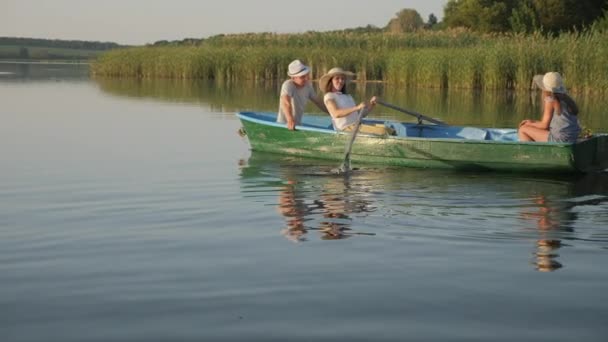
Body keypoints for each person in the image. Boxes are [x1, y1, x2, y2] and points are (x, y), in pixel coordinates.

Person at [319, 67, 395, 135]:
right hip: (345, 129)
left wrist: (372, 104)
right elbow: (336, 114)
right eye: (337, 78)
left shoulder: (348, 96)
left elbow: (361, 114)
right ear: (331, 81)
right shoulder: (329, 96)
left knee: (389, 129)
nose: (341, 81)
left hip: (358, 125)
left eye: (342, 79)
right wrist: (357, 107)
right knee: (384, 131)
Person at [518, 71, 581, 142]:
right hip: (573, 136)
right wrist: (532, 122)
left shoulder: (551, 99)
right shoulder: (567, 98)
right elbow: (549, 124)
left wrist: (528, 124)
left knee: (523, 129)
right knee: (529, 127)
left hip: (561, 138)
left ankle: (530, 152)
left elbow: (544, 126)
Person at [277, 60, 327, 130]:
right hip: (284, 124)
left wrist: (332, 112)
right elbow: (286, 102)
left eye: (306, 75)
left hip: (297, 124)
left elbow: (318, 102)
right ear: (293, 78)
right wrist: (290, 120)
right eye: (302, 77)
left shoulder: (308, 86)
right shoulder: (288, 85)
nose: (306, 79)